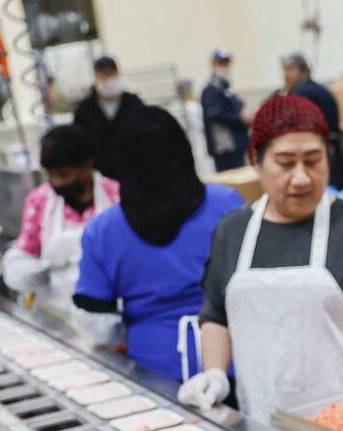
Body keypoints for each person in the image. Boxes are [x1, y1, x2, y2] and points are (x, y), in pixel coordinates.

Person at [178, 95, 343, 423]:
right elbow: (215, 314)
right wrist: (213, 373)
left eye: (313, 161)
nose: (301, 178)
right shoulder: (233, 231)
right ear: (255, 161)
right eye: (285, 163)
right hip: (263, 420)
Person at [74, 106, 244, 380]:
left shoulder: (103, 231)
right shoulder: (226, 205)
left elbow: (98, 322)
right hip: (232, 363)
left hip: (154, 372)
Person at [1, 124, 119, 325]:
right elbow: (26, 252)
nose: (56, 182)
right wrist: (32, 270)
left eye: (64, 174)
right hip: (59, 315)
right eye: (50, 174)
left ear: (87, 165)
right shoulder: (39, 202)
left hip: (110, 315)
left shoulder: (116, 196)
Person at [281, 51, 343, 187]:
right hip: (332, 150)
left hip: (319, 153)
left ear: (303, 70)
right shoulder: (320, 89)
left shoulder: (302, 94)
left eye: (290, 69)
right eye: (284, 70)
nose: (286, 75)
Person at [73, 56, 144, 181]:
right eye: (103, 74)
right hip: (100, 176)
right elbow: (79, 142)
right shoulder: (85, 109)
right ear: (96, 76)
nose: (108, 78)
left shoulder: (133, 103)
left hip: (135, 172)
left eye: (111, 73)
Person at [200, 49, 249, 172]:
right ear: (214, 64)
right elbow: (215, 114)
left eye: (226, 63)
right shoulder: (211, 90)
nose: (225, 67)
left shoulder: (226, 88)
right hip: (225, 147)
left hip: (236, 144)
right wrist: (240, 117)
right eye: (221, 63)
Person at [172, 78, 214, 179]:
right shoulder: (193, 106)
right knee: (204, 167)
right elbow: (200, 125)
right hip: (197, 140)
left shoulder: (174, 107)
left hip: (185, 143)